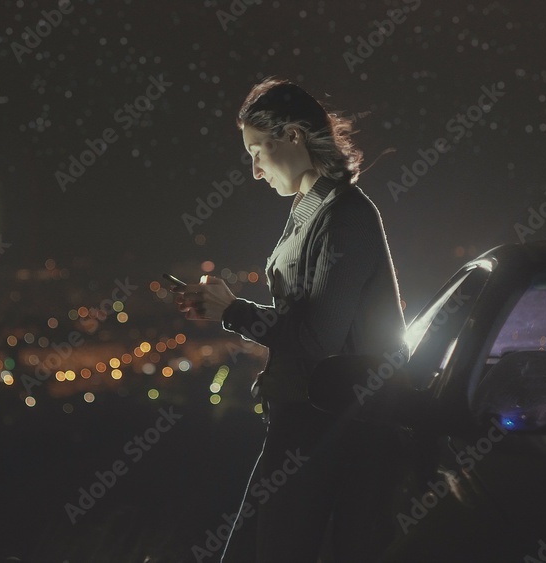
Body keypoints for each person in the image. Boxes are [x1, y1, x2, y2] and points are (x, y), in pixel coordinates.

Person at [173, 77, 408, 561]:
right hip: (303, 422)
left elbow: (316, 339)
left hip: (328, 431)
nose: (255, 171)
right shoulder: (310, 208)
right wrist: (226, 307)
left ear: (294, 135)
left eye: (258, 150)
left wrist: (232, 311)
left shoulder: (345, 215)